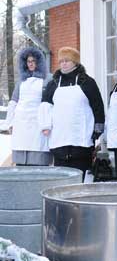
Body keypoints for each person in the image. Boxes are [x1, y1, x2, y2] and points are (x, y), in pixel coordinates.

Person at [39, 47, 105, 177]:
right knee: (62, 177)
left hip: (81, 139)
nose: (63, 63)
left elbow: (97, 106)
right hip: (59, 139)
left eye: (67, 60)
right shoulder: (54, 83)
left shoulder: (86, 81)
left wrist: (97, 130)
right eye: (61, 61)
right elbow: (45, 104)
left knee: (81, 175)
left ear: (75, 62)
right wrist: (45, 125)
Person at [4, 47, 52, 166]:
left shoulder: (48, 79)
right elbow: (14, 102)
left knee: (38, 152)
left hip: (38, 122)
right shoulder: (21, 81)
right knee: (21, 153)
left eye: (33, 61)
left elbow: (50, 103)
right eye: (28, 61)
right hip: (21, 123)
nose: (30, 64)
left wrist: (47, 124)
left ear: (39, 62)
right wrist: (10, 122)